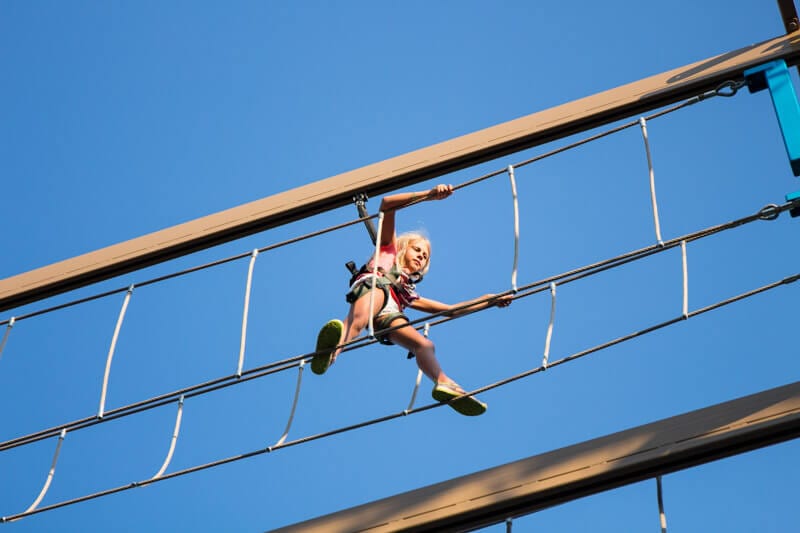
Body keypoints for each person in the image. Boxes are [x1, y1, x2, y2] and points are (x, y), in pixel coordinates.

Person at [313, 184, 512, 416]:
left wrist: (489, 300)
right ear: (403, 248)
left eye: (425, 256)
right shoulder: (387, 251)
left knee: (425, 345)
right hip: (375, 286)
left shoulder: (408, 292)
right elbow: (387, 204)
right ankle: (332, 351)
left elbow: (449, 310)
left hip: (388, 316)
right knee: (360, 317)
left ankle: (444, 382)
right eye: (417, 250)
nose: (421, 256)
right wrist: (429, 195)